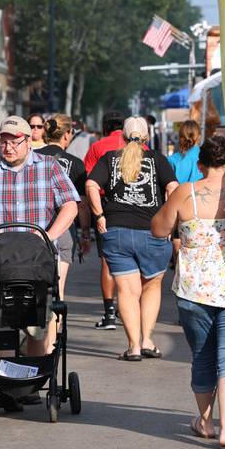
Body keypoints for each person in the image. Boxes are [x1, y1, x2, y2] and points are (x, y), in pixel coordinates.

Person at [152, 136, 225, 449]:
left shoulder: (187, 193)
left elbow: (158, 229)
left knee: (202, 355)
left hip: (193, 289)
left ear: (200, 165)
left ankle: (206, 422)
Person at [0, 116, 78, 359]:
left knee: (37, 326)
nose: (8, 147)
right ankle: (8, 384)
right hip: (2, 260)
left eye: (15, 141)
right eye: (4, 141)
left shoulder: (48, 166)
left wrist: (49, 236)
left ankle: (30, 380)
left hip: (38, 260)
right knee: (4, 323)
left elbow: (70, 205)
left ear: (28, 141)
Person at [87, 117, 178, 361]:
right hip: (152, 231)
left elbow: (91, 185)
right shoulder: (158, 159)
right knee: (151, 286)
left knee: (126, 292)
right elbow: (172, 188)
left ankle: (133, 346)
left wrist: (99, 215)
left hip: (117, 231)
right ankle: (147, 340)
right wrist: (168, 218)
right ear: (146, 137)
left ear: (123, 137)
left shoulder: (110, 159)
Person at [36, 113, 90, 351]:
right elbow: (81, 204)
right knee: (57, 290)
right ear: (67, 135)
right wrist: (85, 232)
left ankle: (33, 339)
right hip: (63, 231)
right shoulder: (76, 165)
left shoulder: (32, 158)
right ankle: (50, 345)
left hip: (34, 227)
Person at [84, 110, 127, 330]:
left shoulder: (98, 147)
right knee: (132, 263)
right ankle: (127, 308)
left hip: (106, 207)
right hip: (135, 209)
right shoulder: (139, 147)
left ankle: (110, 314)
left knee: (108, 263)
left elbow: (89, 181)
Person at [167, 120, 204, 184]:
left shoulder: (172, 160)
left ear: (180, 137)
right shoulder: (207, 157)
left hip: (179, 193)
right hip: (204, 193)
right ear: (199, 136)